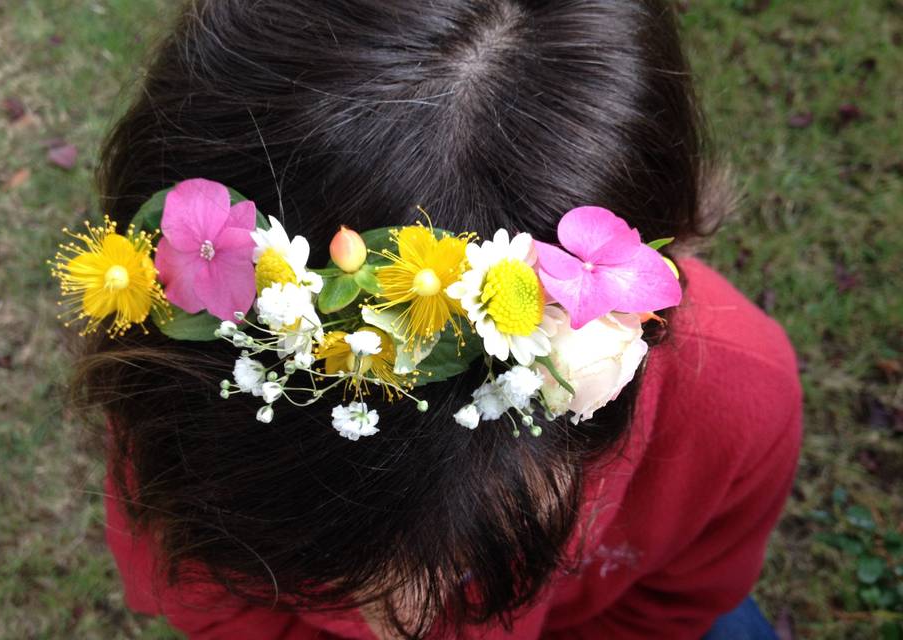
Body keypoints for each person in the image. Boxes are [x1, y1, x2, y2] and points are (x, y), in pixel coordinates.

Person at [75, 1, 802, 638]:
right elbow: (206, 597)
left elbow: (672, 605)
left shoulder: (737, 401)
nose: (408, 622)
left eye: (448, 567)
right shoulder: (192, 394)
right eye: (347, 575)